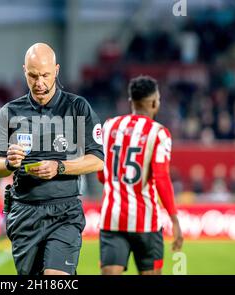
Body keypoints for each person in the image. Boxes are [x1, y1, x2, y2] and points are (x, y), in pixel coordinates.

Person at [0, 43, 104, 275]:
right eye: (32, 75)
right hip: (24, 214)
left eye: (45, 75)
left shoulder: (77, 107)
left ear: (56, 70)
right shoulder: (9, 111)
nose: (39, 82)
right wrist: (10, 162)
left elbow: (98, 159)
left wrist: (59, 167)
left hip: (65, 212)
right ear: (24, 71)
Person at [98, 75, 183, 275]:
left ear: (131, 102)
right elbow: (161, 178)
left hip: (112, 219)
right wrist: (175, 220)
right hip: (146, 222)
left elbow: (101, 175)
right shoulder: (159, 133)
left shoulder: (109, 126)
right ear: (154, 102)